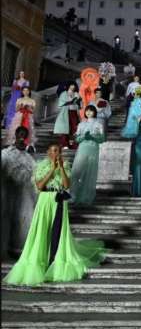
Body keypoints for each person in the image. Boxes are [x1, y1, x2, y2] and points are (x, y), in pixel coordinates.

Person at [3, 143, 105, 286]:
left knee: (57, 232)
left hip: (58, 201)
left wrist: (61, 168)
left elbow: (66, 185)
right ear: (48, 152)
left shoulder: (65, 165)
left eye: (57, 151)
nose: (55, 153)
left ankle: (54, 261)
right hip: (45, 202)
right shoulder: (41, 166)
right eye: (52, 150)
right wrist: (51, 170)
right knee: (42, 231)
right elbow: (39, 186)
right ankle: (41, 259)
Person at [1, 128, 37, 259]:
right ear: (15, 136)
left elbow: (35, 173)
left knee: (23, 219)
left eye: (24, 135)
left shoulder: (29, 156)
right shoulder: (6, 153)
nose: (22, 138)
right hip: (8, 192)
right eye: (20, 135)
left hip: (23, 194)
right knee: (5, 219)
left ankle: (19, 248)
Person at [69, 105, 106, 205]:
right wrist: (84, 137)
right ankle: (73, 195)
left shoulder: (99, 124)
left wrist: (93, 138)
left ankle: (85, 197)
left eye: (91, 111)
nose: (89, 113)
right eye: (87, 111)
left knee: (89, 174)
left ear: (95, 112)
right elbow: (76, 139)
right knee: (76, 172)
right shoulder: (81, 124)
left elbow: (102, 139)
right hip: (82, 149)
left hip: (93, 149)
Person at [54, 82, 81, 149]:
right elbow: (60, 103)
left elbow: (79, 104)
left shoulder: (76, 94)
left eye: (73, 87)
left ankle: (73, 144)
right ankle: (64, 144)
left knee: (74, 128)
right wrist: (69, 102)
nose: (72, 88)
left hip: (74, 112)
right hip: (65, 112)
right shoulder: (64, 94)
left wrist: (77, 102)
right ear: (68, 87)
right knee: (65, 128)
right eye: (71, 87)